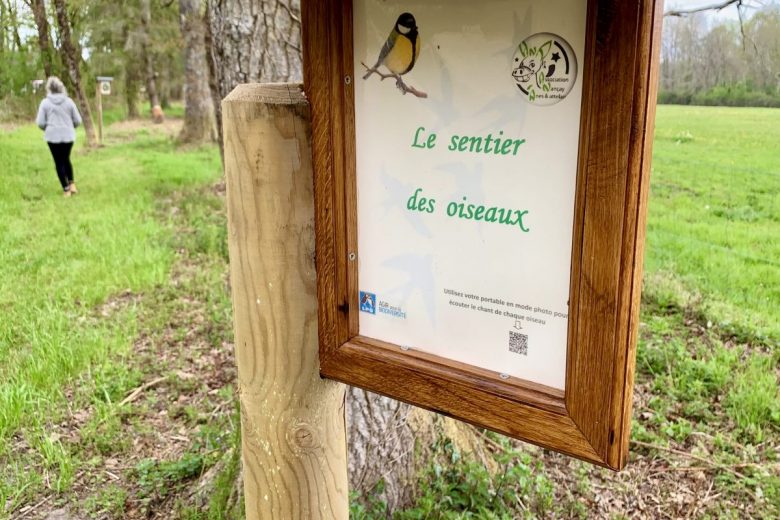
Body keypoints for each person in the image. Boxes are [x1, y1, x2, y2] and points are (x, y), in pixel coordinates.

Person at [36, 77, 82, 197]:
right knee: (66, 159)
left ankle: (66, 189)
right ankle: (72, 184)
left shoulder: (45, 103)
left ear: (49, 89)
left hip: (52, 137)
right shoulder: (69, 101)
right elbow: (78, 120)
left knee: (58, 162)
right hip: (68, 137)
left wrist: (49, 128)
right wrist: (69, 127)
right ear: (62, 88)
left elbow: (40, 122)